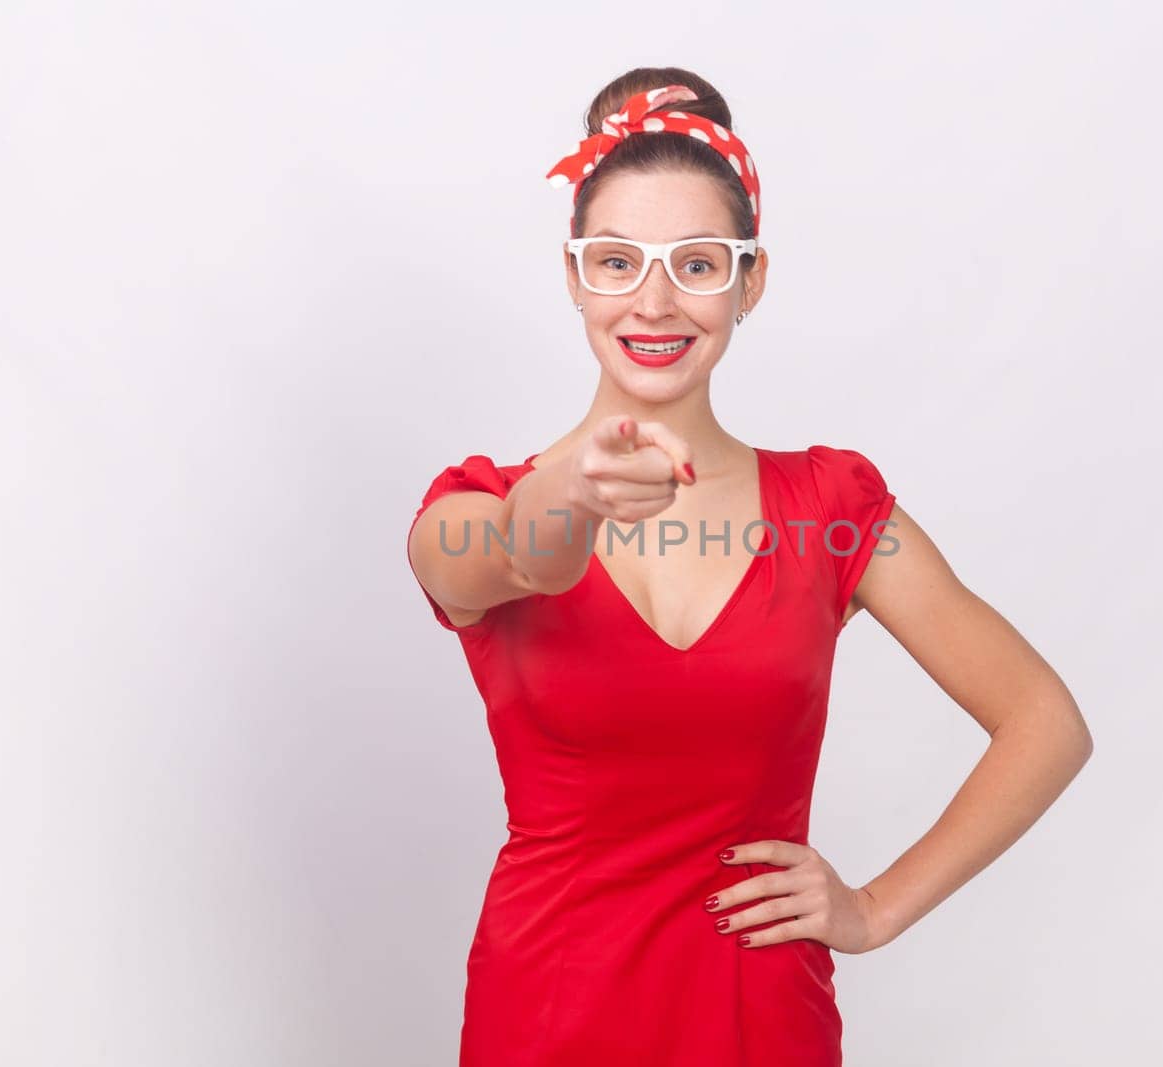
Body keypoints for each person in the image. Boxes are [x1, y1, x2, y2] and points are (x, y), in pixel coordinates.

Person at [407, 66, 1094, 1066]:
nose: (653, 298)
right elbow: (519, 555)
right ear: (575, 275)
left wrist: (873, 905)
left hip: (757, 1015)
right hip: (548, 1011)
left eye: (696, 261)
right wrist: (579, 491)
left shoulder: (832, 510)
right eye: (616, 260)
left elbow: (1045, 722)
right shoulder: (471, 507)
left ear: (748, 279)